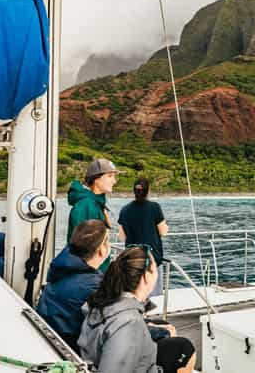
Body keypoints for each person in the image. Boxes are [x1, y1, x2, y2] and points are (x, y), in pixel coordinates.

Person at [79, 246, 196, 373]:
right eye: (155, 269)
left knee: (165, 328)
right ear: (146, 277)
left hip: (97, 358)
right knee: (185, 347)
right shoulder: (129, 323)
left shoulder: (104, 298)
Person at [37, 219, 110, 351]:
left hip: (49, 339)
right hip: (72, 348)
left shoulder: (60, 268)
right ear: (101, 250)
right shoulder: (96, 285)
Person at [118, 177, 168, 296]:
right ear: (148, 191)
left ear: (133, 191)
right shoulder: (154, 207)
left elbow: (121, 236)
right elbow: (163, 232)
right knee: (153, 295)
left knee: (134, 293)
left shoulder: (124, 210)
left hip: (132, 258)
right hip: (151, 258)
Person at [68, 158, 118, 272]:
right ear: (96, 179)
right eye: (110, 176)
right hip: (88, 276)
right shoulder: (86, 205)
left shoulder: (96, 203)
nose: (114, 181)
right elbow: (82, 248)